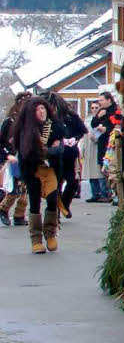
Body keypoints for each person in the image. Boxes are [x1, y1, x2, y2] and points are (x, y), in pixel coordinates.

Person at [11, 96, 66, 253]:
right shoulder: (25, 130)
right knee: (34, 202)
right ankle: (36, 239)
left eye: (43, 108)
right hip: (33, 170)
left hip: (51, 170)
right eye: (37, 110)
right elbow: (27, 154)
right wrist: (49, 151)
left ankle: (50, 234)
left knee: (52, 198)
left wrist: (45, 151)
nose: (41, 112)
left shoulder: (55, 126)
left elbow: (60, 148)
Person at [42, 92, 87, 219]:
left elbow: (81, 131)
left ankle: (65, 204)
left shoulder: (71, 116)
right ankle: (53, 211)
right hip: (54, 155)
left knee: (73, 182)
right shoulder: (46, 119)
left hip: (69, 153)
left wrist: (74, 138)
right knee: (56, 183)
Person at [0, 92, 31, 226]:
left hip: (27, 157)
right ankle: (3, 209)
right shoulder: (10, 121)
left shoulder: (31, 122)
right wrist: (7, 155)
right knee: (13, 189)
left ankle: (19, 215)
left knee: (25, 189)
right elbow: (2, 142)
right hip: (13, 158)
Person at [88, 89, 121, 202]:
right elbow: (93, 124)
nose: (100, 102)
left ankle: (115, 193)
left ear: (109, 100)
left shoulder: (116, 110)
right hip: (102, 143)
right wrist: (97, 116)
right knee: (104, 167)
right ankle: (111, 192)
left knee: (113, 168)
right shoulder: (102, 111)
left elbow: (117, 126)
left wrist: (106, 129)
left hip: (112, 143)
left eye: (101, 100)